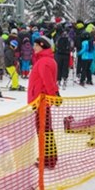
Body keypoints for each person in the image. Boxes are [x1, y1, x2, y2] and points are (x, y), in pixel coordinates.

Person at [28, 35, 60, 169]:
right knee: (45, 129)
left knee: (44, 130)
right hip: (40, 99)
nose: (34, 47)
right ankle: (48, 157)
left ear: (42, 46)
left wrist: (54, 95)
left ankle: (48, 159)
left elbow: (49, 81)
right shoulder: (44, 60)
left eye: (36, 45)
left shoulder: (44, 62)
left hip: (42, 100)